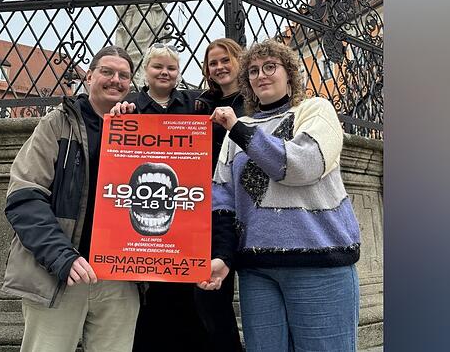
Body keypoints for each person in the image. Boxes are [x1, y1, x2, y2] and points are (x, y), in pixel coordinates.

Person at [198, 39, 362, 352]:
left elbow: (305, 164)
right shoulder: (240, 127)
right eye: (253, 71)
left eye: (270, 67)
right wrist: (224, 256)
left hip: (319, 261)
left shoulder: (314, 110)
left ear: (289, 73)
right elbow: (222, 199)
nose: (261, 75)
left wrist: (240, 132)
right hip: (257, 269)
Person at [2, 46, 140, 352]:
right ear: (89, 76)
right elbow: (24, 196)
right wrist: (61, 256)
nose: (115, 80)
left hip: (120, 277)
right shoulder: (56, 123)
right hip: (60, 272)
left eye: (123, 75)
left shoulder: (141, 128)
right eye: (107, 72)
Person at [109, 42, 210, 352]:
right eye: (158, 67)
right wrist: (118, 115)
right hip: (142, 214)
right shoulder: (130, 106)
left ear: (178, 73)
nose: (164, 72)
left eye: (171, 68)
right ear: (146, 71)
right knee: (147, 307)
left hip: (183, 215)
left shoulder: (195, 104)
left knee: (186, 306)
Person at [191, 38, 246, 352]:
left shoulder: (252, 102)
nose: (220, 67)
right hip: (211, 209)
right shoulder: (201, 104)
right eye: (213, 63)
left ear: (239, 60)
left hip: (247, 208)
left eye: (226, 60)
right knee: (209, 297)